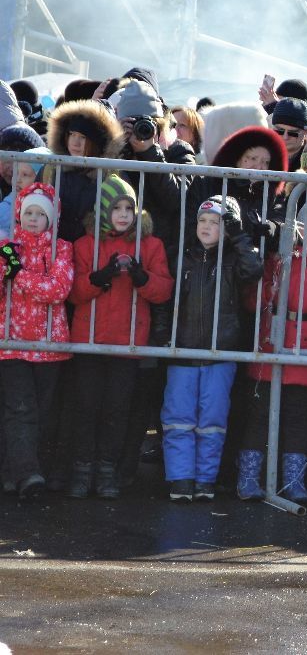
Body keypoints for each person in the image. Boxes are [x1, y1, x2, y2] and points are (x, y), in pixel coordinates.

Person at [68, 176, 174, 499]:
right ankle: (82, 470)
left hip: (127, 345)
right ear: (104, 211)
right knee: (86, 409)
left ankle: (107, 472)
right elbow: (74, 293)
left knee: (117, 411)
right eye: (117, 208)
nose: (124, 214)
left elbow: (163, 289)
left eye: (129, 207)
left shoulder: (150, 245)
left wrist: (141, 277)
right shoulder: (85, 245)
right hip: (90, 342)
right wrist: (102, 277)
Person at [239, 190, 307, 505]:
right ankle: (248, 479)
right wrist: (268, 288)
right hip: (272, 344)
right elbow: (252, 301)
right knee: (258, 415)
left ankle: (293, 482)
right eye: (306, 225)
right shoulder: (277, 260)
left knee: (298, 418)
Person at [166, 196, 265, 502]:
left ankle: (205, 479)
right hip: (183, 351)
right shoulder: (183, 257)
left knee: (212, 420)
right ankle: (181, 478)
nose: (207, 227)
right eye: (203, 221)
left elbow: (254, 267)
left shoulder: (235, 261)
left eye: (216, 223)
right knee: (178, 417)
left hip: (220, 352)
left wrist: (238, 234)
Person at [0, 183, 73, 499]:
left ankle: (24, 471)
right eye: (28, 211)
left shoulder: (62, 248)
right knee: (20, 409)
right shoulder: (6, 247)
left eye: (39, 213)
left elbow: (57, 289)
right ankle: (27, 475)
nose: (32, 218)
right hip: (11, 340)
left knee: (43, 412)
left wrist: (19, 277)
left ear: (50, 219)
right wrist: (7, 271)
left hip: (49, 344)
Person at [45, 99, 124, 242]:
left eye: (83, 137)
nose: (75, 142)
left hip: (93, 255)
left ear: (96, 143)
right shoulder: (52, 168)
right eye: (72, 134)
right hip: (56, 253)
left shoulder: (111, 175)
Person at [0, 148, 48, 240]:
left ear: (41, 178)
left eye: (25, 175)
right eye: (16, 173)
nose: (17, 180)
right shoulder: (4, 210)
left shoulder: (50, 211)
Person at [271, 97, 307, 172]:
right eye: (280, 131)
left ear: (306, 132)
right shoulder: (261, 152)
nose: (285, 137)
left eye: (293, 133)